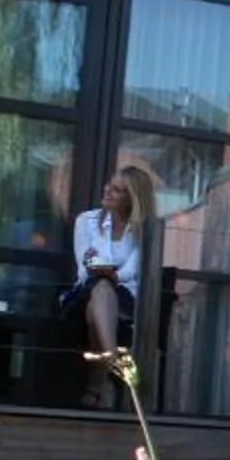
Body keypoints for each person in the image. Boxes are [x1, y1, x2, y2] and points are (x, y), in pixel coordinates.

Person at [63, 164, 154, 406]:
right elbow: (84, 267)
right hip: (84, 293)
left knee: (99, 305)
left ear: (131, 199)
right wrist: (107, 274)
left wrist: (109, 273)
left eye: (117, 190)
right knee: (99, 288)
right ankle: (115, 361)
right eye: (109, 185)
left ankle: (98, 383)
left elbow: (132, 271)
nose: (107, 191)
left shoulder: (144, 230)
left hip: (125, 299)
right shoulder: (86, 221)